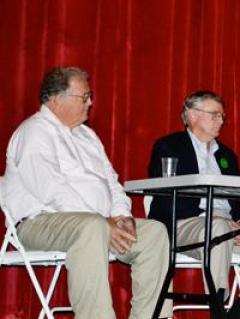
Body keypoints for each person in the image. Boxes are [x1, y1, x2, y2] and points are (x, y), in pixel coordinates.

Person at [3, 67, 172, 319]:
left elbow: (112, 182)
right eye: (84, 97)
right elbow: (52, 190)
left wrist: (121, 216)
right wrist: (104, 222)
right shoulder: (34, 132)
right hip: (39, 223)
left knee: (154, 232)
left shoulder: (88, 136)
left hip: (98, 223)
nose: (90, 103)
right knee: (92, 228)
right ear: (56, 99)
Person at [148, 90, 240, 319]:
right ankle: (218, 308)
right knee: (217, 228)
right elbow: (167, 197)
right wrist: (222, 222)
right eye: (215, 114)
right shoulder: (169, 147)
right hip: (186, 224)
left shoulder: (227, 155)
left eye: (222, 116)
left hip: (228, 228)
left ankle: (237, 312)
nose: (221, 120)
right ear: (192, 115)